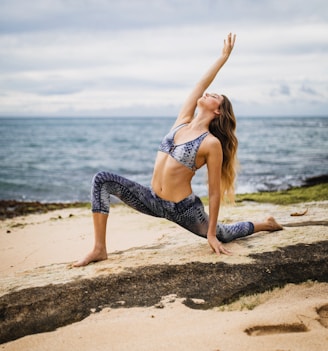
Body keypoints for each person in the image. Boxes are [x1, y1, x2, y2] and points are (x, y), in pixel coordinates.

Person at [74, 33, 282, 267]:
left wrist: (211, 234)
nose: (208, 92)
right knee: (102, 180)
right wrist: (222, 58)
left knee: (223, 233)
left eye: (215, 96)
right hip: (151, 199)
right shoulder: (182, 120)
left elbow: (214, 192)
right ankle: (99, 249)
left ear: (218, 112)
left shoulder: (210, 143)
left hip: (182, 209)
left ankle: (266, 224)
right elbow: (200, 84)